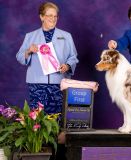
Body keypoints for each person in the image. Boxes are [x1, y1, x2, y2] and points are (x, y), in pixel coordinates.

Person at [16, 2, 78, 159]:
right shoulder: (30, 36)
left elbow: (74, 57)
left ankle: (59, 155)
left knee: (58, 121)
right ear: (41, 17)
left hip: (59, 84)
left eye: (55, 16)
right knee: (39, 122)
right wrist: (29, 51)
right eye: (49, 15)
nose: (53, 18)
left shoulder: (66, 35)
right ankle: (40, 154)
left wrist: (67, 65)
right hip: (37, 85)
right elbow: (19, 57)